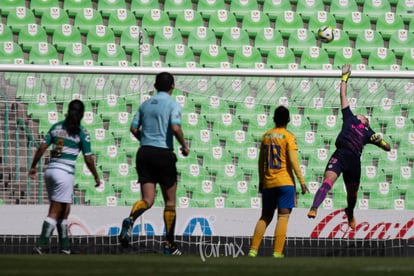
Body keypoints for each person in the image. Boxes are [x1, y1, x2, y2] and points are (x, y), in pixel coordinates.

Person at [307, 64, 391, 229]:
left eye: (364, 116)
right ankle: (314, 207)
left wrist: (380, 141)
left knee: (352, 195)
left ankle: (350, 212)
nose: (361, 114)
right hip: (341, 154)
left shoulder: (369, 132)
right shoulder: (349, 117)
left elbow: (388, 148)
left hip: (354, 161)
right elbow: (343, 94)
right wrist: (345, 76)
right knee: (327, 181)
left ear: (366, 121)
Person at [118, 72, 190, 255]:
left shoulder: (145, 104)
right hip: (163, 154)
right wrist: (184, 145)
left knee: (147, 200)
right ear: (172, 87)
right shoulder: (173, 104)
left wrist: (145, 139)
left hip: (144, 153)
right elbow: (175, 126)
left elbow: (133, 128)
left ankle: (131, 218)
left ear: (155, 86)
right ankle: (169, 245)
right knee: (170, 203)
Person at [29, 99, 101, 254]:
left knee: (65, 209)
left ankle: (65, 247)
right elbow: (88, 158)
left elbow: (42, 147)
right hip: (64, 173)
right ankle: (40, 245)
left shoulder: (56, 128)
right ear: (81, 114)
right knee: (55, 210)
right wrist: (96, 176)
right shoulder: (82, 133)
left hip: (50, 171)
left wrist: (33, 166)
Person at [248, 105, 308, 258]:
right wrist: (301, 181)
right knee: (283, 217)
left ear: (274, 119)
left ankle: (253, 251)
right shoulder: (289, 137)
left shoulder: (266, 136)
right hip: (285, 182)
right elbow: (294, 161)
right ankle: (277, 253)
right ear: (288, 119)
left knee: (265, 217)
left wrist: (261, 181)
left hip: (269, 183)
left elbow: (261, 161)